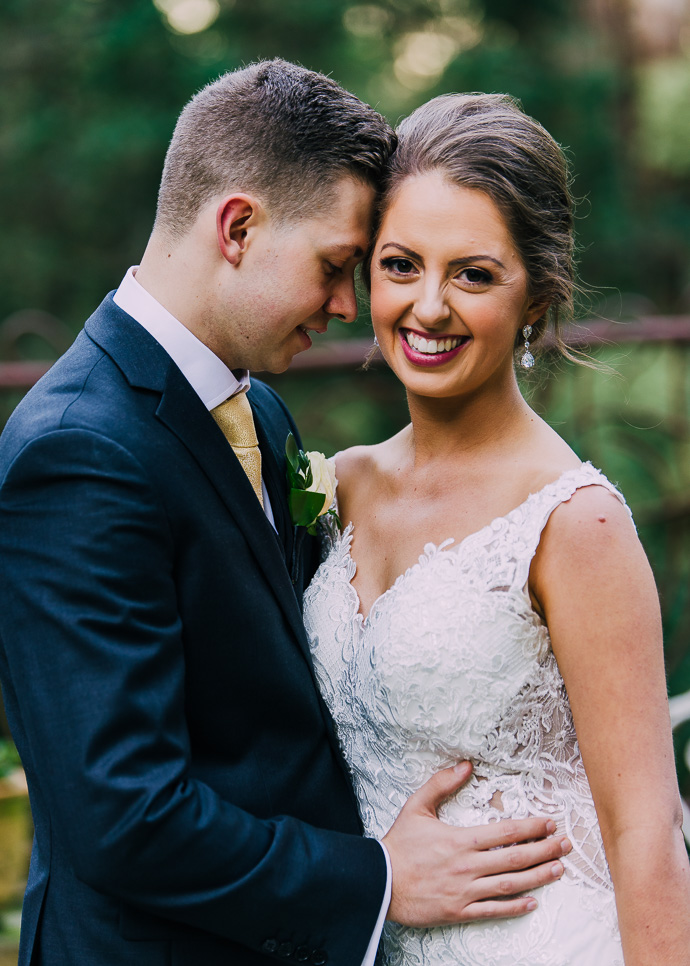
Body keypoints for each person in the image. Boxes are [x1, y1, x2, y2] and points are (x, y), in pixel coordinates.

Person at [0, 64, 571, 966]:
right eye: (336, 265)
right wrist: (378, 880)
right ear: (238, 227)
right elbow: (124, 814)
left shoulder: (256, 411)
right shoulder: (76, 452)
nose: (349, 306)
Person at [304, 92, 690, 965]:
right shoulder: (343, 487)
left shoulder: (571, 520)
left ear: (536, 299)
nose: (429, 307)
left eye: (473, 274)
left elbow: (649, 834)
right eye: (401, 265)